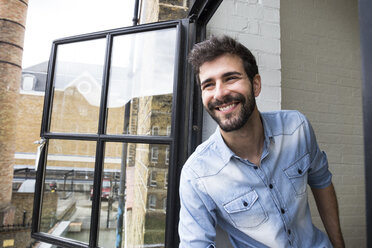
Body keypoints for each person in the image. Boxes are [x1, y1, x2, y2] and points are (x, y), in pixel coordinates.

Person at [178, 35, 345, 248]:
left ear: (255, 85)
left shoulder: (296, 128)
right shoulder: (197, 174)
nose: (219, 93)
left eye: (230, 78)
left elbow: (321, 182)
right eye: (208, 85)